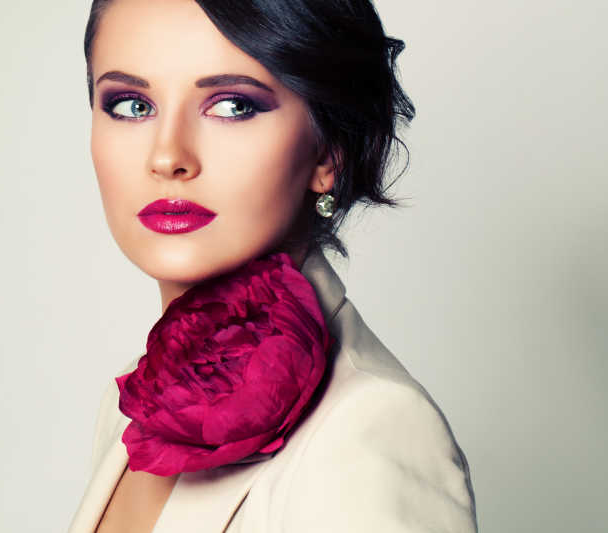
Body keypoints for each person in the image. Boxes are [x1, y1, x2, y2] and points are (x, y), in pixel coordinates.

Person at [69, 0, 477, 531]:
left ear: (329, 151)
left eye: (232, 105)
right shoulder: (128, 404)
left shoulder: (369, 428)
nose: (167, 156)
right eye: (131, 105)